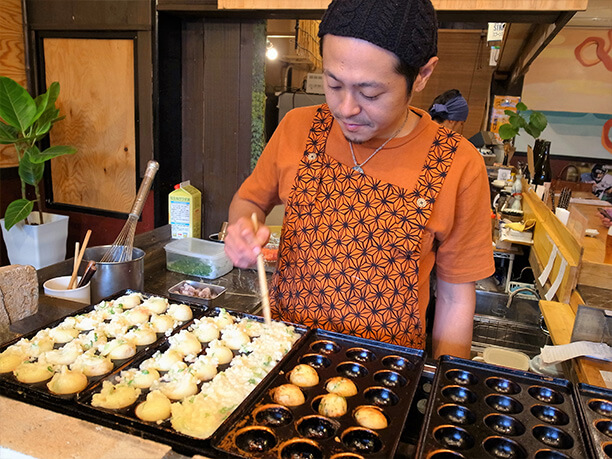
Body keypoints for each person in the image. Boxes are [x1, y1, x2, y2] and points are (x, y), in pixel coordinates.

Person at [224, 0, 494, 359]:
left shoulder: (459, 164)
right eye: (334, 85)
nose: (346, 109)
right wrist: (243, 227)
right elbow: (250, 202)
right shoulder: (297, 128)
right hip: (281, 357)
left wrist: (446, 386)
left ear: (423, 75)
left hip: (385, 377)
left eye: (370, 93)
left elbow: (455, 296)